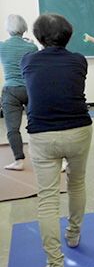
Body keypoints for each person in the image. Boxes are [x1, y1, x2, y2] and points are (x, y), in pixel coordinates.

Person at [21, 13, 93, 267]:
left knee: (48, 199)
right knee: (77, 184)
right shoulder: (79, 60)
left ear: (38, 38)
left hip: (42, 135)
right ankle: (73, 236)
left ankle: (55, 266)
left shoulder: (27, 60)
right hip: (79, 130)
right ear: (69, 36)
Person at [0, 14, 38, 170]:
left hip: (10, 90)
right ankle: (40, 156)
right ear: (24, 28)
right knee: (36, 125)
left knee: (12, 128)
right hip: (30, 89)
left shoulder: (1, 46)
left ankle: (19, 161)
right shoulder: (32, 47)